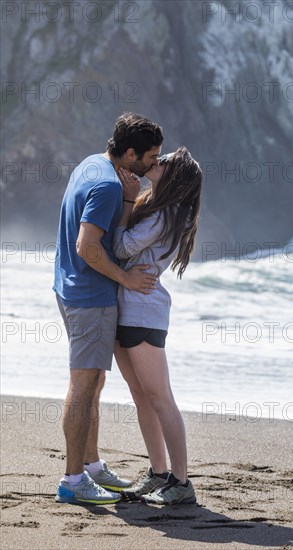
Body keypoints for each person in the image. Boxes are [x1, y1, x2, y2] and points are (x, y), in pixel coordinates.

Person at [53, 113, 163, 505]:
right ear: (130, 153)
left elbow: (97, 233)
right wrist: (126, 279)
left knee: (93, 384)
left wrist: (131, 198)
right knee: (83, 388)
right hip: (90, 297)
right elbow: (88, 246)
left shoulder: (92, 164)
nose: (153, 164)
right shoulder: (106, 184)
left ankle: (93, 466)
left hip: (69, 288)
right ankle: (72, 479)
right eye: (150, 157)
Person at [113, 146, 202, 505]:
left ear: (175, 177)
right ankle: (159, 474)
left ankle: (181, 482)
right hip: (130, 307)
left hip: (142, 310)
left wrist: (127, 201)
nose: (157, 161)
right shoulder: (164, 209)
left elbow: (120, 248)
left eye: (164, 162)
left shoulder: (165, 213)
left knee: (160, 398)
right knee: (143, 397)